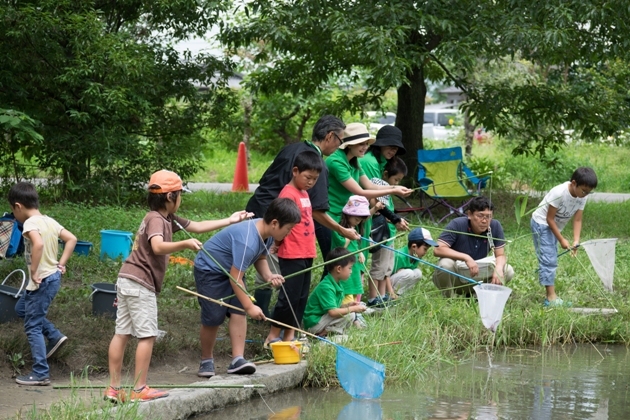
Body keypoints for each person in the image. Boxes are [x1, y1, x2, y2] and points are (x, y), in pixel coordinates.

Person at [105, 170, 252, 403]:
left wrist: (230, 220)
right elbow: (158, 247)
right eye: (180, 195)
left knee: (122, 332)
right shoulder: (156, 219)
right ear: (170, 197)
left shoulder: (166, 218)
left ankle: (113, 389)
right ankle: (139, 388)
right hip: (140, 282)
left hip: (127, 279)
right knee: (147, 336)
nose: (181, 199)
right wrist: (184, 244)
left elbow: (197, 225)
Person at [245, 115, 359, 316]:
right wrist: (342, 230)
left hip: (255, 209)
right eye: (340, 141)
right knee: (275, 270)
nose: (339, 147)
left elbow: (266, 180)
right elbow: (316, 211)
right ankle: (267, 317)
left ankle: (256, 310)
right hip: (277, 222)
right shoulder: (316, 165)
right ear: (330, 136)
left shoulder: (291, 148)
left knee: (255, 260)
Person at [194, 198, 301, 378]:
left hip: (232, 273)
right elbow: (236, 278)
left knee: (238, 311)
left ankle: (237, 359)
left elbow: (260, 258)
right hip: (211, 270)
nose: (289, 233)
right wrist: (251, 306)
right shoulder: (248, 241)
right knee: (213, 316)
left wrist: (268, 276)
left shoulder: (265, 234)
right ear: (275, 223)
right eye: (288, 229)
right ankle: (206, 360)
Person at [8, 182, 77, 386]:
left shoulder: (30, 223)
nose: (14, 215)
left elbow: (37, 244)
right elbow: (72, 239)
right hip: (52, 278)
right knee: (21, 308)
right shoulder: (49, 221)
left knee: (32, 326)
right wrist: (61, 264)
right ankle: (54, 336)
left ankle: (40, 372)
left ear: (18, 206)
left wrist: (35, 271)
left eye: (13, 210)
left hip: (42, 280)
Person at [264, 150, 323, 347]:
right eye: (308, 177)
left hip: (306, 251)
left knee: (300, 297)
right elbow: (282, 223)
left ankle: (291, 335)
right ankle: (273, 335)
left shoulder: (304, 193)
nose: (311, 183)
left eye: (315, 179)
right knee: (288, 296)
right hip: (292, 253)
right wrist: (277, 244)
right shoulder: (288, 194)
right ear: (295, 171)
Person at [530, 167, 597, 306]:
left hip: (553, 225)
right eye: (584, 191)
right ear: (574, 183)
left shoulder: (582, 196)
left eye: (588, 192)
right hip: (542, 223)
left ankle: (549, 290)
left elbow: (577, 219)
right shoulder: (559, 193)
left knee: (550, 255)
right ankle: (550, 298)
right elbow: (549, 219)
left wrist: (576, 240)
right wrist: (561, 239)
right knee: (549, 258)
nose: (585, 194)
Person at [432, 196, 514, 297]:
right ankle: (449, 298)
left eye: (488, 216)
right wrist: (466, 257)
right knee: (445, 265)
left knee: (507, 270)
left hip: (478, 272)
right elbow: (438, 249)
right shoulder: (457, 224)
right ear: (470, 214)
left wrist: (498, 268)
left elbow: (500, 255)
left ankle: (479, 295)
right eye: (480, 216)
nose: (484, 221)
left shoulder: (495, 226)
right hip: (457, 272)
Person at [367, 156, 410, 306]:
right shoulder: (380, 186)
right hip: (381, 235)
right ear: (385, 174)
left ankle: (383, 296)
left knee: (387, 268)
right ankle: (373, 298)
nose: (397, 184)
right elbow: (379, 209)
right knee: (379, 267)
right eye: (396, 180)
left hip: (389, 234)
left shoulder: (387, 191)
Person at [303, 247, 367, 336]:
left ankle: (330, 332)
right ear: (339, 269)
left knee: (350, 314)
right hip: (313, 324)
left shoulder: (337, 283)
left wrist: (347, 305)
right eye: (350, 268)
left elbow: (333, 306)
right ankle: (322, 333)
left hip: (322, 319)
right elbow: (332, 312)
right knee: (350, 315)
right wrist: (354, 309)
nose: (351, 271)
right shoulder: (326, 287)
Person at [331, 195, 379, 306]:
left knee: (356, 284)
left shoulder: (353, 226)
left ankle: (356, 310)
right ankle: (350, 313)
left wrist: (360, 252)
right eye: (356, 219)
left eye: (360, 220)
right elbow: (341, 245)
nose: (358, 222)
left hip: (354, 262)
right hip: (343, 263)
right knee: (346, 287)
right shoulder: (340, 226)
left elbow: (355, 244)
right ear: (348, 214)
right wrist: (349, 235)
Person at [390, 228, 438, 295]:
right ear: (414, 246)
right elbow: (385, 276)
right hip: (386, 285)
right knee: (409, 273)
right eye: (425, 249)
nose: (426, 252)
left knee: (418, 273)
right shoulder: (399, 256)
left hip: (397, 281)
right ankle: (392, 295)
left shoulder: (416, 256)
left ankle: (402, 294)